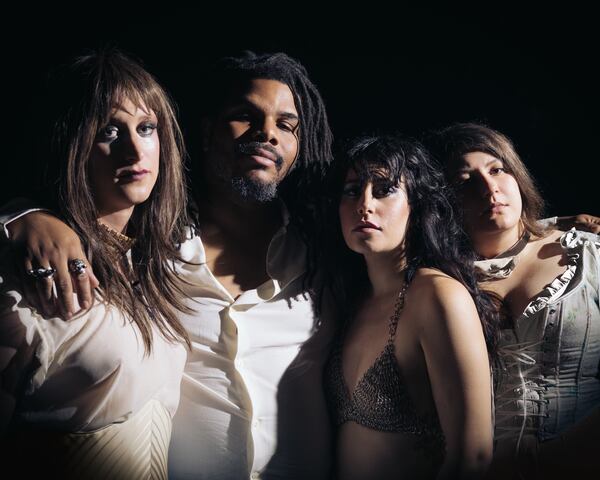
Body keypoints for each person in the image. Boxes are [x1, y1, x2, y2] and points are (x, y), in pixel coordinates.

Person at [0, 51, 336, 479]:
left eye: (286, 125)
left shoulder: (329, 256)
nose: (267, 134)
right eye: (244, 115)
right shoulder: (154, 253)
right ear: (207, 130)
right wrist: (21, 217)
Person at [0, 49, 192, 479]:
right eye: (108, 129)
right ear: (71, 143)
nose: (134, 148)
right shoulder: (31, 275)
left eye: (146, 127)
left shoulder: (154, 266)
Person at [429, 123, 600, 478]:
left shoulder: (586, 255)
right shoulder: (439, 283)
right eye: (464, 180)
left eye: (497, 169)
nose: (488, 187)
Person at [322, 135, 496, 479]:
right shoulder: (349, 302)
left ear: (416, 208)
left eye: (384, 189)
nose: (365, 204)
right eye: (353, 190)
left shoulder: (439, 296)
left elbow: (473, 456)